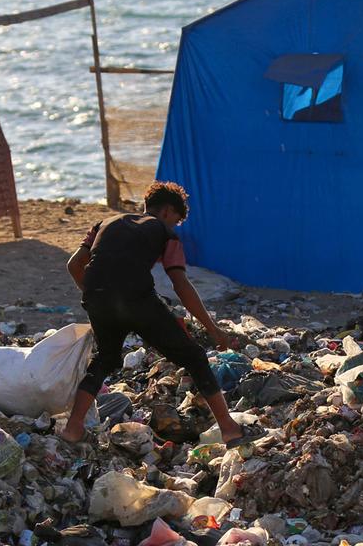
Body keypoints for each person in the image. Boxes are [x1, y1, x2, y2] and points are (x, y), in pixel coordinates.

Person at [57, 181, 255, 446]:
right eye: (175, 220)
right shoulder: (164, 232)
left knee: (105, 358)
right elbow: (180, 283)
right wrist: (212, 329)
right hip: (137, 297)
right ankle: (230, 428)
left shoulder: (104, 222)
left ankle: (72, 428)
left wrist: (99, 297)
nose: (173, 226)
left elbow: (74, 264)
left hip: (97, 296)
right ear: (166, 212)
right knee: (194, 357)